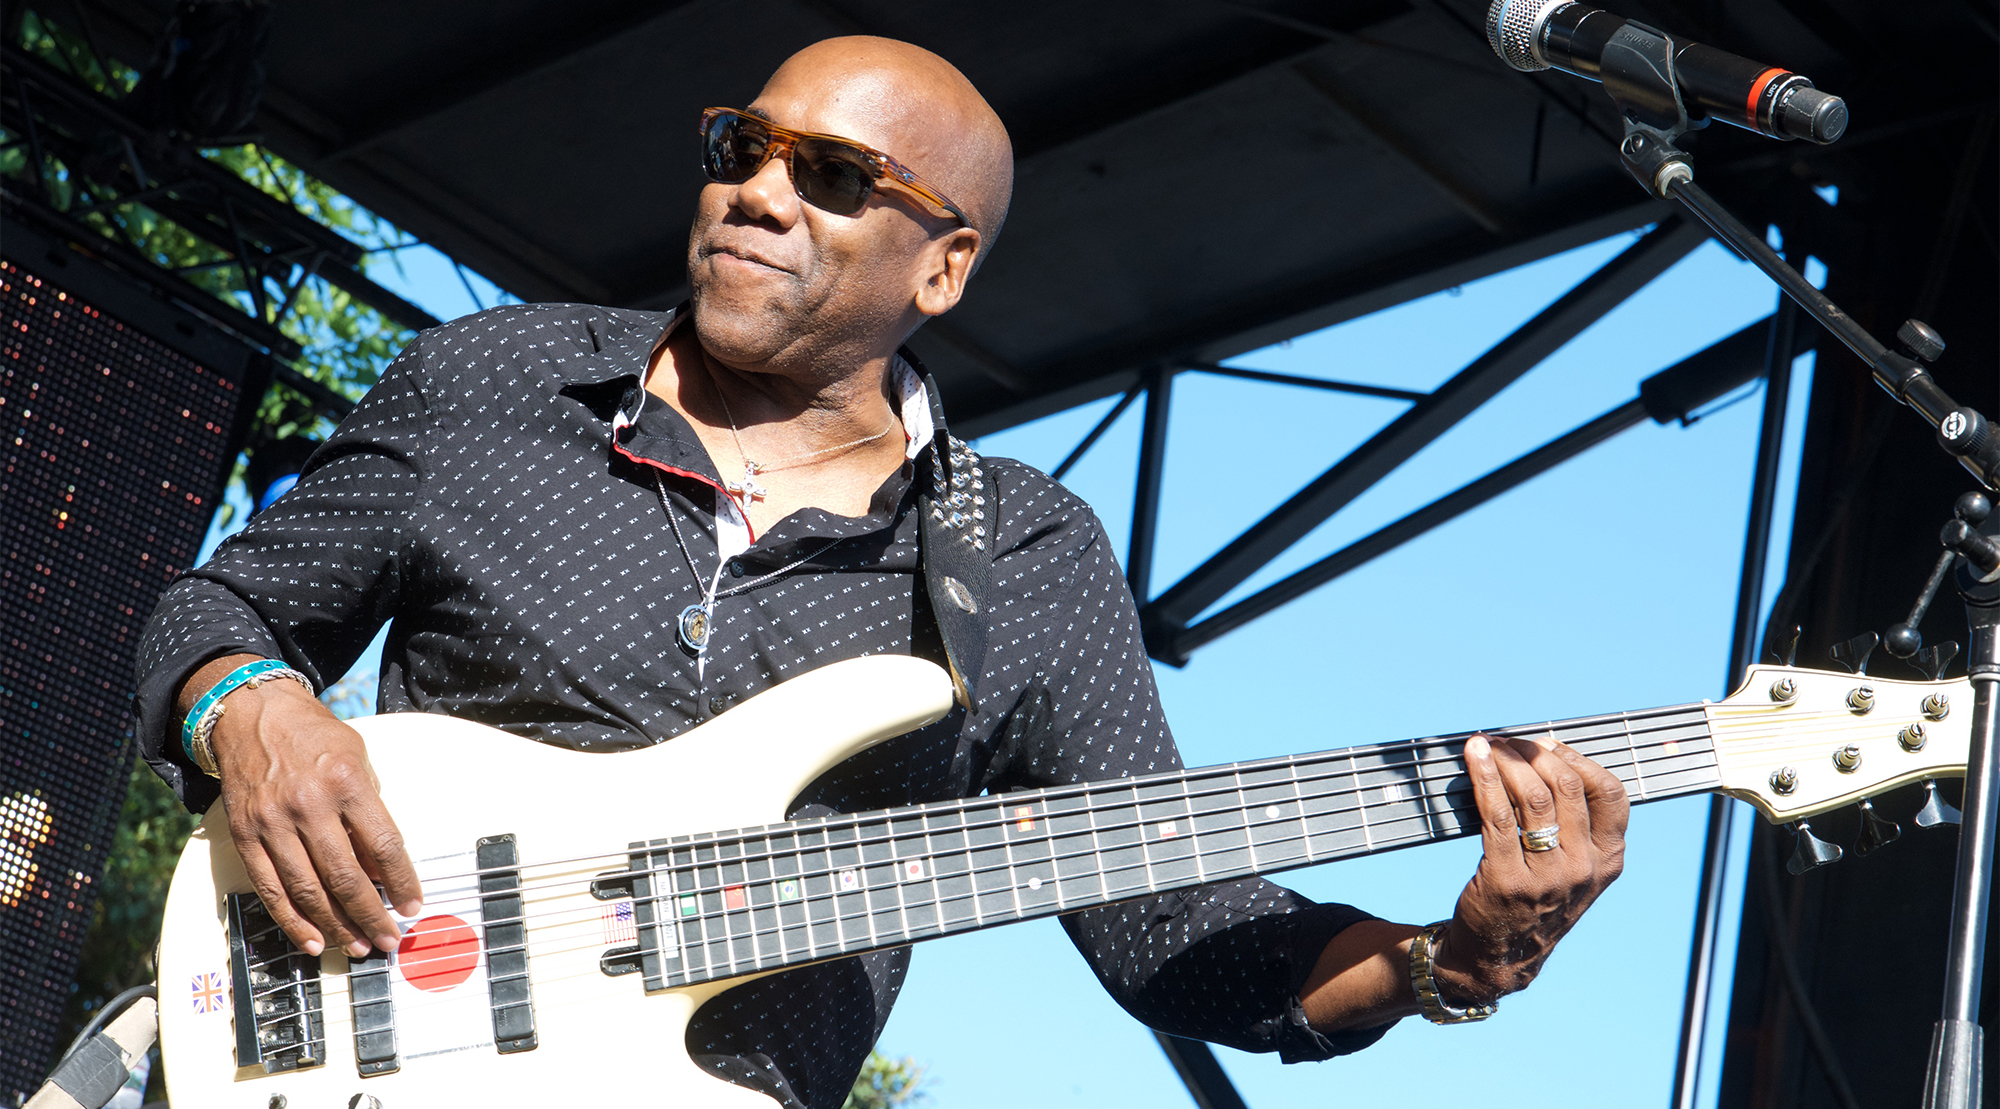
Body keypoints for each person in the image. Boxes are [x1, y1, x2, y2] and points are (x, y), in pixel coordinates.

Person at [135, 35, 1628, 1109]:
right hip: (334, 1038)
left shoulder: (1026, 553)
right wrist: (254, 710)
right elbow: (221, 608)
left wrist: (1449, 956)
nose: (759, 193)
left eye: (835, 175)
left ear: (943, 267)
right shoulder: (501, 379)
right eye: (744, 149)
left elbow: (1176, 935)